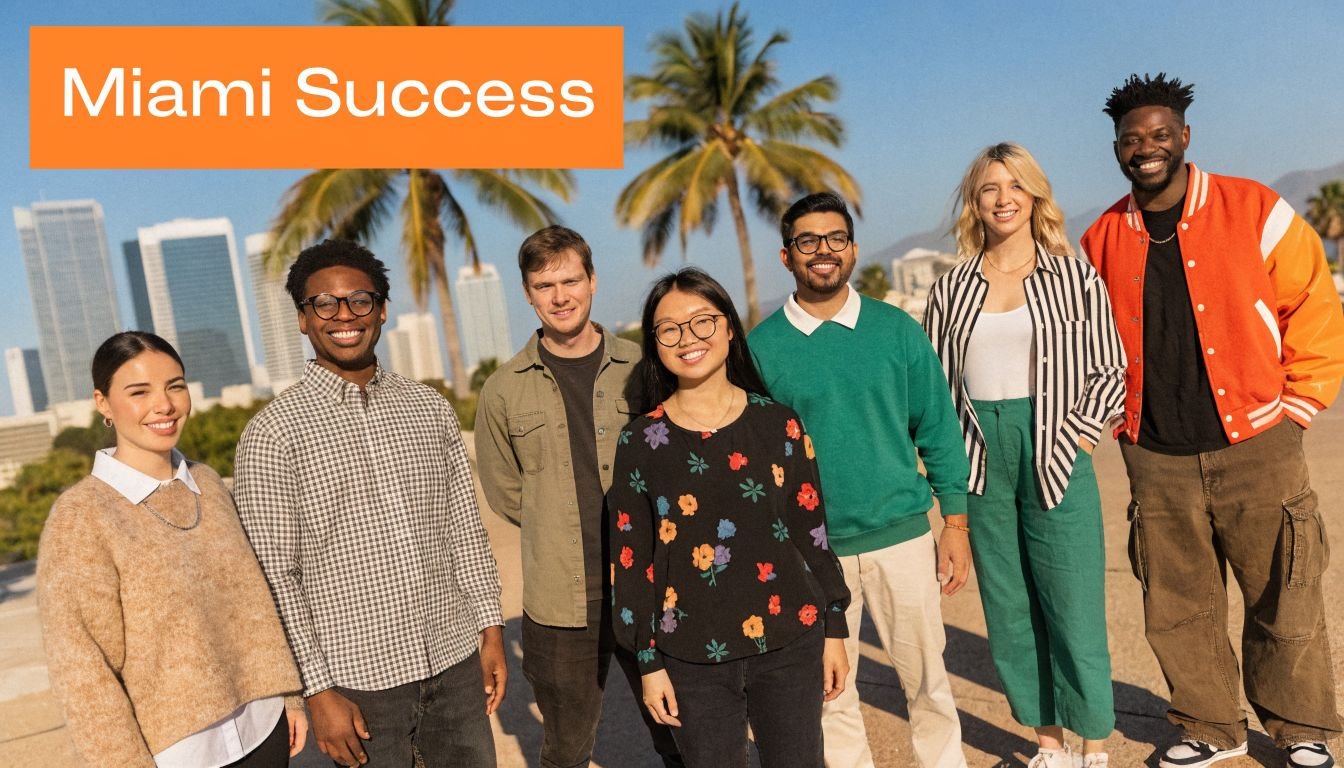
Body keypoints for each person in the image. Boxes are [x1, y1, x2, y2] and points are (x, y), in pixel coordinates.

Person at [1081, 73, 1344, 768]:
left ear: (1185, 138)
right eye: (1132, 140)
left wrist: (1298, 408)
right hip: (1156, 455)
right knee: (1177, 605)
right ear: (1116, 149)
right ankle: (1210, 727)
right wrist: (1117, 423)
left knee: (1283, 591)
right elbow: (1084, 340)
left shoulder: (1253, 206)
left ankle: (1300, 728)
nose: (1147, 149)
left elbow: (1315, 306)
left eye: (1160, 135)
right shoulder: (1101, 236)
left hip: (1257, 439)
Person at [233, 239, 505, 768]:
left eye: (359, 300)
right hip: (358, 685)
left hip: (453, 658)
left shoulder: (428, 408)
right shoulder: (273, 434)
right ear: (302, 320)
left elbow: (463, 531)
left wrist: (490, 629)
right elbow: (274, 575)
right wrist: (316, 691)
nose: (344, 316)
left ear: (381, 309)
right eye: (324, 304)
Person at [749, 191, 971, 768]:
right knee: (830, 695)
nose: (822, 251)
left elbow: (938, 429)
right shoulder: (760, 349)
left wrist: (955, 522)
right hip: (811, 555)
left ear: (852, 250)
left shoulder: (895, 330)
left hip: (902, 538)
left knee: (928, 684)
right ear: (786, 256)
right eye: (807, 241)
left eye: (834, 239)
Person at [924, 143, 1127, 768]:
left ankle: (1094, 744)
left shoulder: (1073, 274)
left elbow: (1110, 369)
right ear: (974, 203)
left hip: (1055, 451)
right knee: (1008, 609)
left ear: (1034, 195)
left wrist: (1077, 437)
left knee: (1073, 605)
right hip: (980, 456)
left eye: (1015, 185)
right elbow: (935, 387)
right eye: (989, 188)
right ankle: (1049, 744)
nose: (1003, 197)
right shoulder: (949, 289)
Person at [608, 267, 849, 768]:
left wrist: (834, 625)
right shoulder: (640, 444)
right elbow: (632, 563)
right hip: (690, 657)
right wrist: (648, 661)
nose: (687, 339)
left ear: (729, 327)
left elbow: (813, 532)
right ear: (655, 343)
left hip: (790, 640)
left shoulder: (778, 423)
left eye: (702, 321)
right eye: (669, 328)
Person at [37, 331, 307, 768]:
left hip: (263, 727)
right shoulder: (80, 517)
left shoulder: (209, 483)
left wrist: (288, 697)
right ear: (103, 403)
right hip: (180, 754)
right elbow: (83, 670)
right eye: (139, 391)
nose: (164, 405)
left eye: (175, 386)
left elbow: (253, 604)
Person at [476, 225, 682, 768]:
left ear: (592, 281)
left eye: (570, 280)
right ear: (527, 293)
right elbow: (505, 491)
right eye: (545, 285)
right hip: (559, 601)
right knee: (566, 749)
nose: (560, 296)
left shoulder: (644, 366)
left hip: (653, 585)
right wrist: (561, 524)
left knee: (682, 732)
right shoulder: (503, 389)